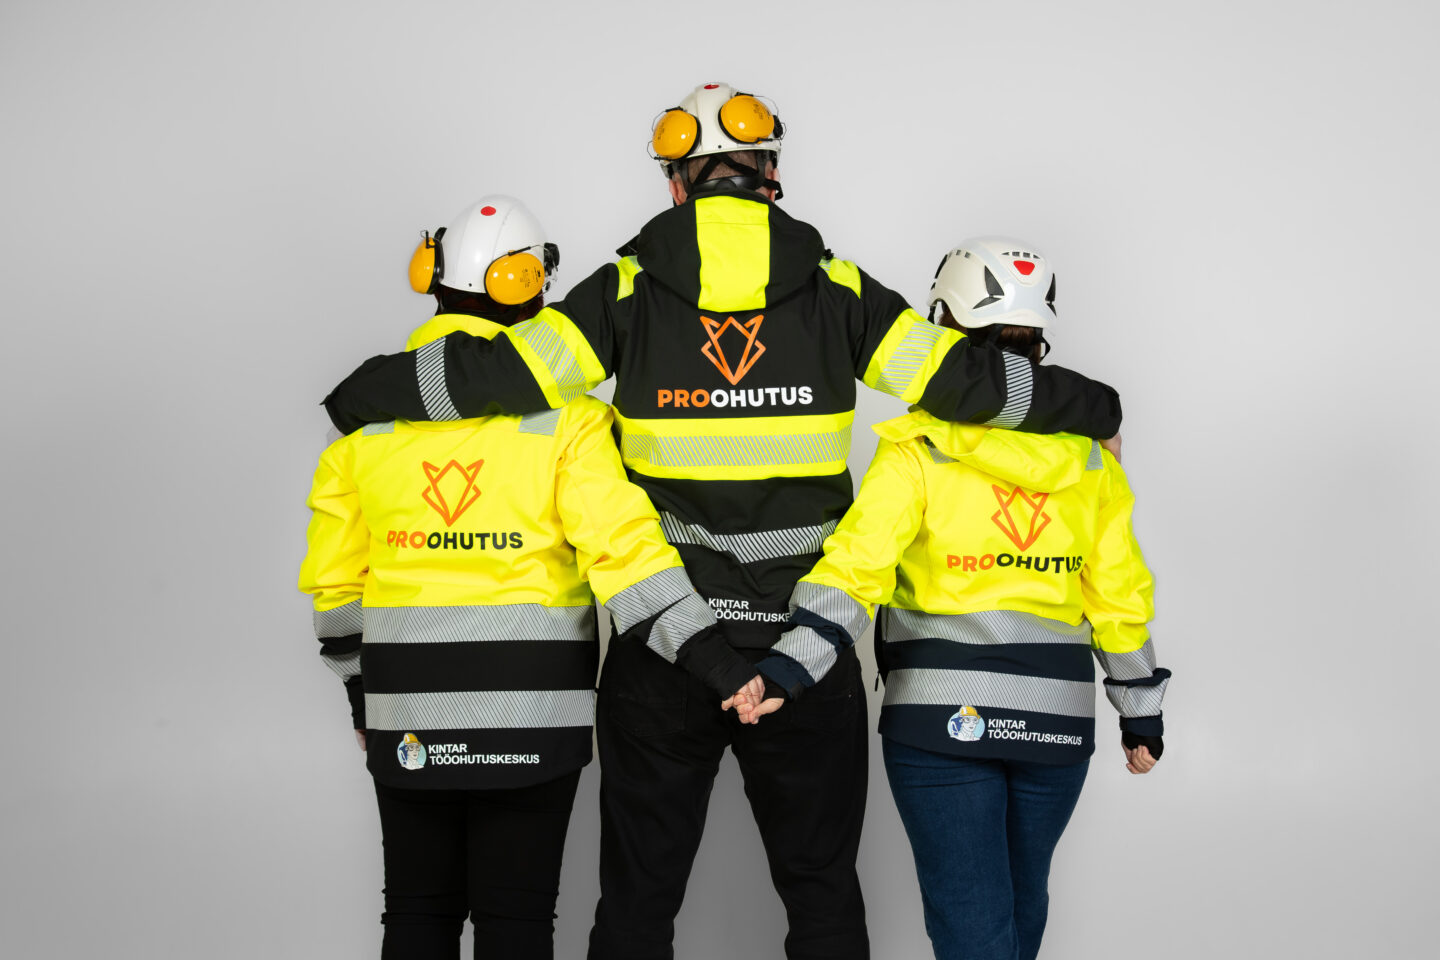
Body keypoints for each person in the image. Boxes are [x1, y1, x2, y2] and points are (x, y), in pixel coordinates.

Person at [320, 84, 1124, 960]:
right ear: (770, 175)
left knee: (637, 905)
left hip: (665, 643)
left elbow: (496, 378)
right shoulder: (840, 292)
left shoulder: (622, 291)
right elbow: (966, 382)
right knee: (822, 896)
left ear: (676, 184)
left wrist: (362, 395)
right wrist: (1096, 406)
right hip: (806, 642)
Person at [297, 195, 761, 960]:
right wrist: (715, 660)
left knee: (415, 912)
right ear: (530, 287)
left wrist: (359, 693)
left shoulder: (362, 420)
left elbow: (336, 586)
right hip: (534, 706)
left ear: (432, 275)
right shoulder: (569, 419)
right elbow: (627, 558)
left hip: (405, 703)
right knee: (516, 921)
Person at [754, 237, 1167, 960]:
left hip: (941, 717)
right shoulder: (1091, 458)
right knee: (1021, 905)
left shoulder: (917, 449)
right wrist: (1141, 711)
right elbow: (1118, 594)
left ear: (943, 322)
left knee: (972, 920)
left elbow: (855, 569)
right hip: (1058, 722)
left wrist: (790, 666)